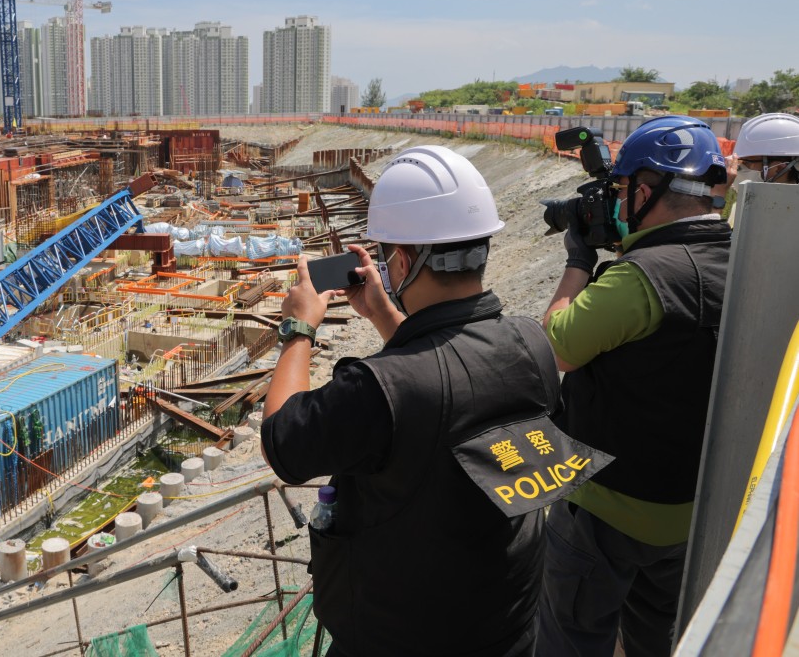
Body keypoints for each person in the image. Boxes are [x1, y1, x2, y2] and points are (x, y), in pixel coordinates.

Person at [262, 145, 591, 656]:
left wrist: (298, 327)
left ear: (402, 260)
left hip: (398, 636)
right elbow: (448, 373)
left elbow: (283, 441)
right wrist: (382, 313)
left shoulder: (375, 388)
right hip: (506, 626)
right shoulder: (531, 344)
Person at [536, 116, 732, 657]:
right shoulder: (740, 255)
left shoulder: (643, 276)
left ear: (644, 193)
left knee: (571, 636)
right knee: (654, 640)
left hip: (606, 507)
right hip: (687, 506)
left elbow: (557, 346)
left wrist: (578, 263)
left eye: (622, 190)